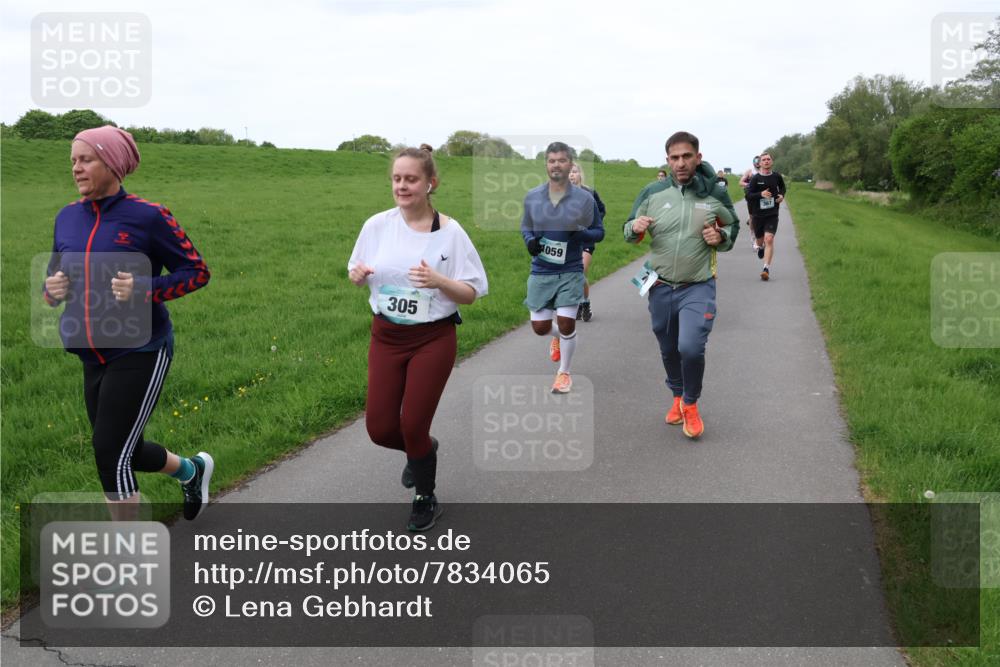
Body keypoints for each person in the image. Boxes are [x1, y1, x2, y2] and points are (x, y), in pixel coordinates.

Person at [43, 126, 213, 520]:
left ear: (113, 163)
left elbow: (197, 272)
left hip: (142, 347)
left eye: (86, 159)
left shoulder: (149, 217)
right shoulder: (66, 218)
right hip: (91, 351)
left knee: (109, 454)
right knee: (125, 449)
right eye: (73, 161)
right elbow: (54, 282)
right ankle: (192, 471)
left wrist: (144, 288)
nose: (76, 168)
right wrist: (52, 289)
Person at [348, 146, 487, 531]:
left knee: (412, 424)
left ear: (430, 183)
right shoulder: (377, 225)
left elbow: (472, 292)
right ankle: (423, 451)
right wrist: (358, 276)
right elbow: (357, 268)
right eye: (397, 179)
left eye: (411, 179)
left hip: (433, 338)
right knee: (379, 429)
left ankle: (425, 495)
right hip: (386, 335)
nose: (402, 186)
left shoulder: (451, 233)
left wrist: (438, 280)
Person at [624, 131, 738, 439]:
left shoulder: (713, 193)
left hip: (697, 285)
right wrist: (634, 227)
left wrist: (722, 237)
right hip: (659, 286)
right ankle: (677, 394)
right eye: (674, 157)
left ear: (698, 158)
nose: (681, 163)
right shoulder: (653, 191)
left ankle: (690, 403)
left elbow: (733, 224)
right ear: (667, 160)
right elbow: (628, 230)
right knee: (668, 346)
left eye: (687, 156)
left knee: (690, 346)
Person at [521, 142, 604, 394]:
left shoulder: (584, 198)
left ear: (570, 164)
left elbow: (599, 232)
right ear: (546, 164)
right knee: (540, 328)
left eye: (561, 160)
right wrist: (530, 242)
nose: (556, 165)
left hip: (570, 269)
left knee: (567, 323)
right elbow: (526, 227)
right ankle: (557, 337)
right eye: (551, 160)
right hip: (541, 270)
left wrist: (578, 234)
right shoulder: (533, 196)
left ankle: (563, 373)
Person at [567, 163, 606, 322]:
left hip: (587, 238)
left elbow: (602, 209)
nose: (571, 175)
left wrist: (593, 224)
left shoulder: (589, 192)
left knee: (581, 270)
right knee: (571, 273)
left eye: (574, 172)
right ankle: (578, 303)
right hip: (569, 240)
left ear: (580, 174)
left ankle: (584, 303)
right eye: (569, 172)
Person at [745, 152, 786, 281]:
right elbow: (748, 196)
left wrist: (781, 195)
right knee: (760, 241)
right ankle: (760, 247)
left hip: (772, 213)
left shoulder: (777, 176)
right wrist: (760, 194)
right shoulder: (755, 179)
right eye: (764, 160)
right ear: (760, 163)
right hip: (758, 215)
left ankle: (766, 269)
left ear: (772, 162)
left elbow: (783, 188)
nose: (766, 161)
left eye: (768, 159)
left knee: (769, 239)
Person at [740, 156, 762, 255]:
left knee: (763, 217)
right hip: (752, 198)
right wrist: (748, 185)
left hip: (763, 198)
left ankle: (761, 239)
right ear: (754, 163)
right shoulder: (750, 171)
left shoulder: (765, 171)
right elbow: (740, 182)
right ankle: (753, 239)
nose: (758, 164)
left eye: (759, 162)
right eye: (756, 162)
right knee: (753, 218)